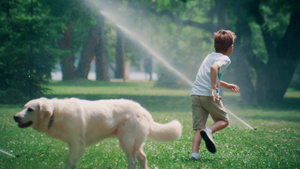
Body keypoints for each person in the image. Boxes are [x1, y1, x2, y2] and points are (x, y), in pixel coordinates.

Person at [190, 29, 240, 161]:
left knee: (198, 128)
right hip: (208, 94)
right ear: (230, 47)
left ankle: (194, 154)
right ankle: (209, 131)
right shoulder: (225, 59)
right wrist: (213, 88)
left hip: (195, 94)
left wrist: (226, 85)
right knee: (224, 121)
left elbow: (210, 74)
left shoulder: (209, 56)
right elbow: (214, 68)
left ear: (214, 45)